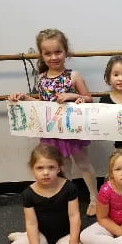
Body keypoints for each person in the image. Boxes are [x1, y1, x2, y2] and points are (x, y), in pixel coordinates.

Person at [8, 29, 98, 216]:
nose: (53, 57)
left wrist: (73, 96)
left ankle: (94, 198)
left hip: (73, 129)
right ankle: (68, 199)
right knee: (63, 167)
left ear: (66, 51)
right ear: (41, 55)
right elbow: (43, 105)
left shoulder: (74, 76)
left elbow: (88, 99)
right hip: (52, 131)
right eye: (47, 53)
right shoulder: (41, 78)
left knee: (83, 164)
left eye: (58, 52)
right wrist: (24, 98)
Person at [4, 144, 84, 244]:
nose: (46, 172)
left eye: (51, 167)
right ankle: (25, 240)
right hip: (41, 233)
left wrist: (73, 242)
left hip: (65, 233)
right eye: (40, 168)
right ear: (32, 169)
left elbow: (74, 216)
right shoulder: (28, 193)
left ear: (59, 168)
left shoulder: (69, 188)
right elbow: (31, 223)